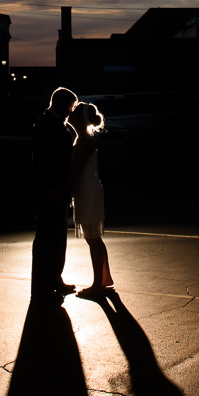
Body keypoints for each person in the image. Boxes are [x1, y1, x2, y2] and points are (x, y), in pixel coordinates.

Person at [30, 86, 78, 300]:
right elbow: (44, 162)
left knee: (57, 239)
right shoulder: (48, 126)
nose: (71, 111)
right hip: (51, 191)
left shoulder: (53, 124)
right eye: (70, 106)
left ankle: (53, 280)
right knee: (48, 240)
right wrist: (50, 189)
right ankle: (43, 287)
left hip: (57, 190)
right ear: (61, 104)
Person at [70, 101, 114, 298]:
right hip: (90, 188)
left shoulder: (83, 142)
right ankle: (104, 279)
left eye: (73, 113)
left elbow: (76, 169)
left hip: (87, 190)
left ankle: (98, 283)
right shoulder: (84, 139)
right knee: (94, 238)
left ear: (79, 119)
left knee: (92, 238)